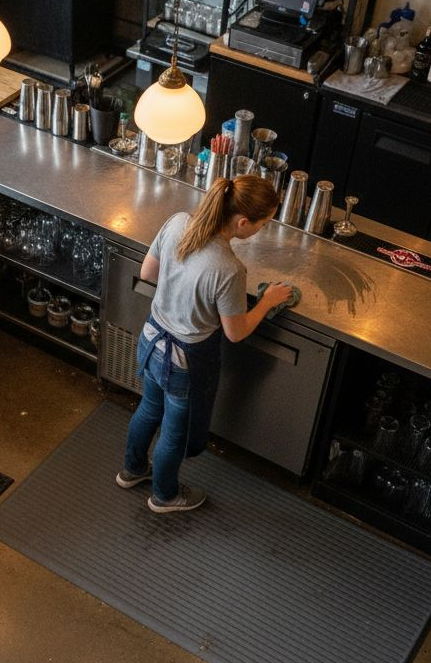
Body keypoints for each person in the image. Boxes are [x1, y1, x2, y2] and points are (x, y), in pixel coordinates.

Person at [119, 175, 297, 513]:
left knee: (149, 408)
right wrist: (267, 301)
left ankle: (132, 470)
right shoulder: (229, 268)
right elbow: (235, 332)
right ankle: (165, 496)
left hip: (151, 338)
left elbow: (148, 273)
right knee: (174, 434)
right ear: (242, 222)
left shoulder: (177, 222)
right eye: (262, 224)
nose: (261, 230)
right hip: (183, 361)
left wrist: (185, 290)